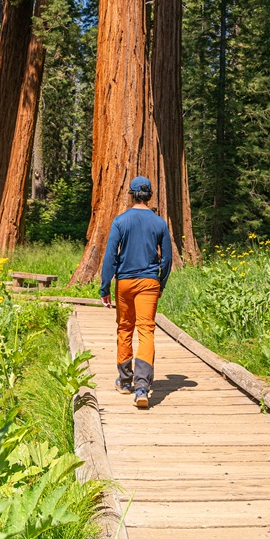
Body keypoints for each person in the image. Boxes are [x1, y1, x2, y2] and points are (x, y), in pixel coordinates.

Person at [100, 175, 172, 409]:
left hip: (125, 283)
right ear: (149, 195)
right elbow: (168, 259)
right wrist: (160, 283)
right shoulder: (159, 223)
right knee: (146, 331)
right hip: (149, 282)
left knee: (125, 328)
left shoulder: (120, 221)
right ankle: (142, 387)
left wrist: (105, 286)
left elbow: (111, 255)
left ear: (131, 194)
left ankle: (124, 381)